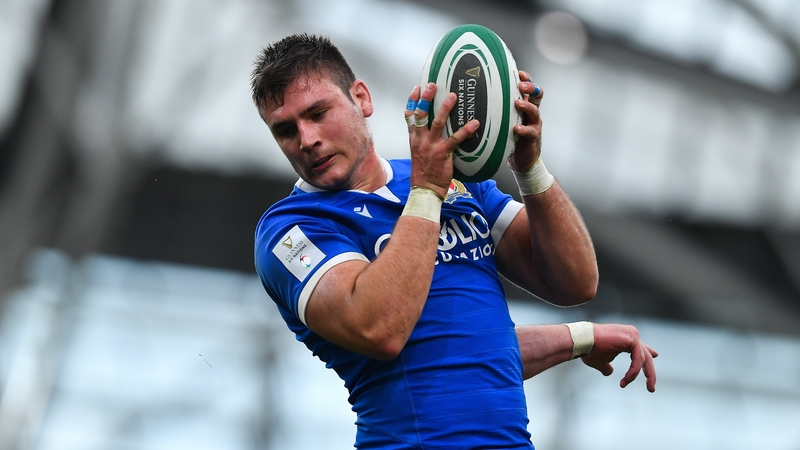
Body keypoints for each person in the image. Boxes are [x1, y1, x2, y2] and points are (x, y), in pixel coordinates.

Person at [251, 33, 657, 449]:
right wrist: (428, 190)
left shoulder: (458, 184)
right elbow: (380, 329)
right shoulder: (290, 232)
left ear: (361, 98)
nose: (307, 139)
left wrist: (529, 166)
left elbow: (573, 284)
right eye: (285, 130)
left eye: (318, 113)